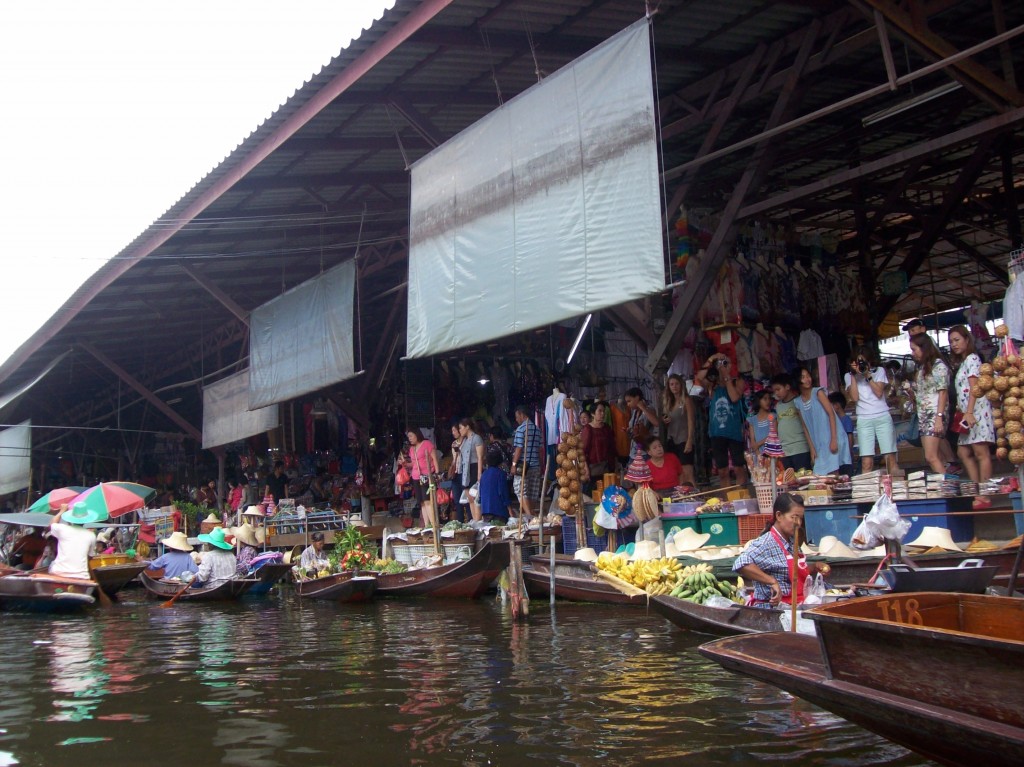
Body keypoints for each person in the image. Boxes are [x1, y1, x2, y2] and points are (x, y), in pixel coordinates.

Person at [733, 493, 808, 608]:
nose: (798, 523)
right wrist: (772, 581)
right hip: (771, 610)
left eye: (800, 518)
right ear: (779, 516)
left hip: (793, 605)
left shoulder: (793, 542)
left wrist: (815, 566)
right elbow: (741, 563)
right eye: (794, 517)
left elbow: (794, 570)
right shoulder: (767, 542)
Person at [949, 324, 995, 504]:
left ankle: (984, 493)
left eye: (957, 340)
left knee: (980, 452)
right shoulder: (963, 362)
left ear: (967, 340)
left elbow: (974, 388)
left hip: (977, 411)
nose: (954, 344)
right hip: (967, 412)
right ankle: (978, 489)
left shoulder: (973, 359)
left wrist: (968, 412)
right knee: (963, 452)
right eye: (951, 341)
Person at [845, 345, 898, 475]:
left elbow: (879, 392)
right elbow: (855, 398)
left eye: (864, 362)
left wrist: (868, 375)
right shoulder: (849, 376)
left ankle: (895, 490)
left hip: (882, 416)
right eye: (858, 362)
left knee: (889, 458)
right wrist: (853, 374)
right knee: (866, 462)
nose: (861, 365)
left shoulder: (878, 371)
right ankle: (868, 492)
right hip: (864, 418)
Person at [696, 353, 748, 487]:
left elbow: (734, 397)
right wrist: (711, 359)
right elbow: (698, 378)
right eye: (720, 363)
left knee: (738, 467)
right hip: (716, 433)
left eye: (726, 362)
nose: (723, 365)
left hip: (734, 431)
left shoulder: (738, 381)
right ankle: (727, 498)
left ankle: (741, 495)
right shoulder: (712, 384)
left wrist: (726, 375)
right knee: (722, 470)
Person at [907, 333, 951, 475]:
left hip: (934, 414)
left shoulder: (938, 366)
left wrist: (939, 417)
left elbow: (943, 392)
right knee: (935, 456)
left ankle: (948, 489)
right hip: (924, 415)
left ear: (923, 348)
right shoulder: (923, 368)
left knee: (930, 456)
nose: (912, 353)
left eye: (914, 349)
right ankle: (947, 484)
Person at [796, 366, 846, 475]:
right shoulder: (798, 402)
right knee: (820, 476)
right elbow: (805, 427)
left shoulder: (818, 392)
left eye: (808, 376)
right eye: (803, 377)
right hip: (817, 443)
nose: (807, 379)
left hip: (829, 437)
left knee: (834, 473)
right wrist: (812, 449)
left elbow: (831, 414)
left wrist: (833, 440)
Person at [48, 502, 107, 581]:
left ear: (72, 518)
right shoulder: (91, 535)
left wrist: (62, 511)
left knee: (52, 564)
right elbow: (89, 557)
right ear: (86, 519)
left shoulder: (63, 529)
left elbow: (52, 524)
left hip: (59, 572)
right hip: (82, 576)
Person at [771, 373, 813, 471]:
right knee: (789, 482)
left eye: (778, 389)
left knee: (803, 479)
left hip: (800, 448)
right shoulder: (778, 406)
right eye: (774, 391)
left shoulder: (798, 401)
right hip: (785, 451)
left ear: (787, 387)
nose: (776, 393)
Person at [661, 374, 696, 486]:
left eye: (676, 384)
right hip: (672, 439)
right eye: (672, 384)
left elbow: (691, 420)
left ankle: (694, 496)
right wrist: (665, 422)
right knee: (677, 473)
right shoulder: (668, 403)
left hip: (684, 438)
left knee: (687, 472)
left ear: (681, 385)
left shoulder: (686, 400)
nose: (674, 386)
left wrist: (690, 440)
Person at [511, 405, 542, 519]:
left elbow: (518, 449)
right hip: (536, 465)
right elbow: (540, 449)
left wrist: (514, 464)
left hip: (524, 466)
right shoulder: (537, 429)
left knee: (520, 490)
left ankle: (530, 516)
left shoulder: (520, 429)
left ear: (522, 415)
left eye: (517, 416)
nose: (516, 419)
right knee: (532, 492)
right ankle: (532, 515)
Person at [406, 427, 441, 527]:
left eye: (411, 436)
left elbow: (435, 459)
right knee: (421, 502)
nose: (410, 438)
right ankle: (427, 525)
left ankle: (434, 525)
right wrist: (405, 464)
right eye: (408, 437)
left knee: (427, 501)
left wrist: (437, 473)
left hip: (427, 476)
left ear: (417, 435)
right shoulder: (412, 449)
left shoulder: (427, 444)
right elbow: (413, 464)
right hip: (416, 477)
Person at [581, 401, 616, 487]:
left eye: (603, 411)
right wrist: (586, 469)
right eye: (599, 411)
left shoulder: (607, 428)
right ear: (593, 414)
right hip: (593, 469)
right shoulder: (588, 429)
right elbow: (583, 451)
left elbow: (612, 447)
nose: (602, 413)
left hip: (607, 468)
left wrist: (615, 465)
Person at [458, 419, 485, 521]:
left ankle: (478, 519)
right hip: (465, 470)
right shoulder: (464, 440)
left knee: (475, 495)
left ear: (467, 427)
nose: (460, 430)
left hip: (474, 467)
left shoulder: (477, 438)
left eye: (461, 428)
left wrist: (479, 473)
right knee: (469, 496)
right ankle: (474, 519)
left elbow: (480, 457)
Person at [623, 387, 659, 459]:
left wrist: (643, 408)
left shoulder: (649, 409)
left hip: (645, 452)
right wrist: (629, 431)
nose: (628, 404)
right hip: (633, 452)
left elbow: (656, 423)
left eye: (629, 401)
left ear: (637, 398)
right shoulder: (635, 411)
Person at [478, 451, 512, 523]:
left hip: (485, 511)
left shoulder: (483, 475)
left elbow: (480, 494)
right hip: (499, 511)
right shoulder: (501, 474)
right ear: (500, 461)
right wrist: (510, 509)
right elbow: (503, 493)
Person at [828, 391, 856, 476]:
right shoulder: (835, 420)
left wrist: (849, 451)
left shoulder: (846, 419)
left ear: (836, 406)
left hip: (845, 457)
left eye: (830, 405)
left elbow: (850, 436)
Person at [747, 389, 773, 457]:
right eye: (765, 399)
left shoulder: (771, 416)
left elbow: (773, 435)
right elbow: (752, 439)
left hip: (771, 453)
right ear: (758, 401)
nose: (768, 401)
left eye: (769, 399)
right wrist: (758, 454)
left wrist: (758, 444)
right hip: (758, 454)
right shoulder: (752, 420)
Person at [447, 424, 465, 523]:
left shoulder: (466, 442)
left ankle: (470, 520)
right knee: (457, 500)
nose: (453, 433)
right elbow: (454, 459)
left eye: (454, 430)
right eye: (452, 431)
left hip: (464, 472)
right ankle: (460, 521)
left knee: (466, 499)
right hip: (456, 473)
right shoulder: (453, 444)